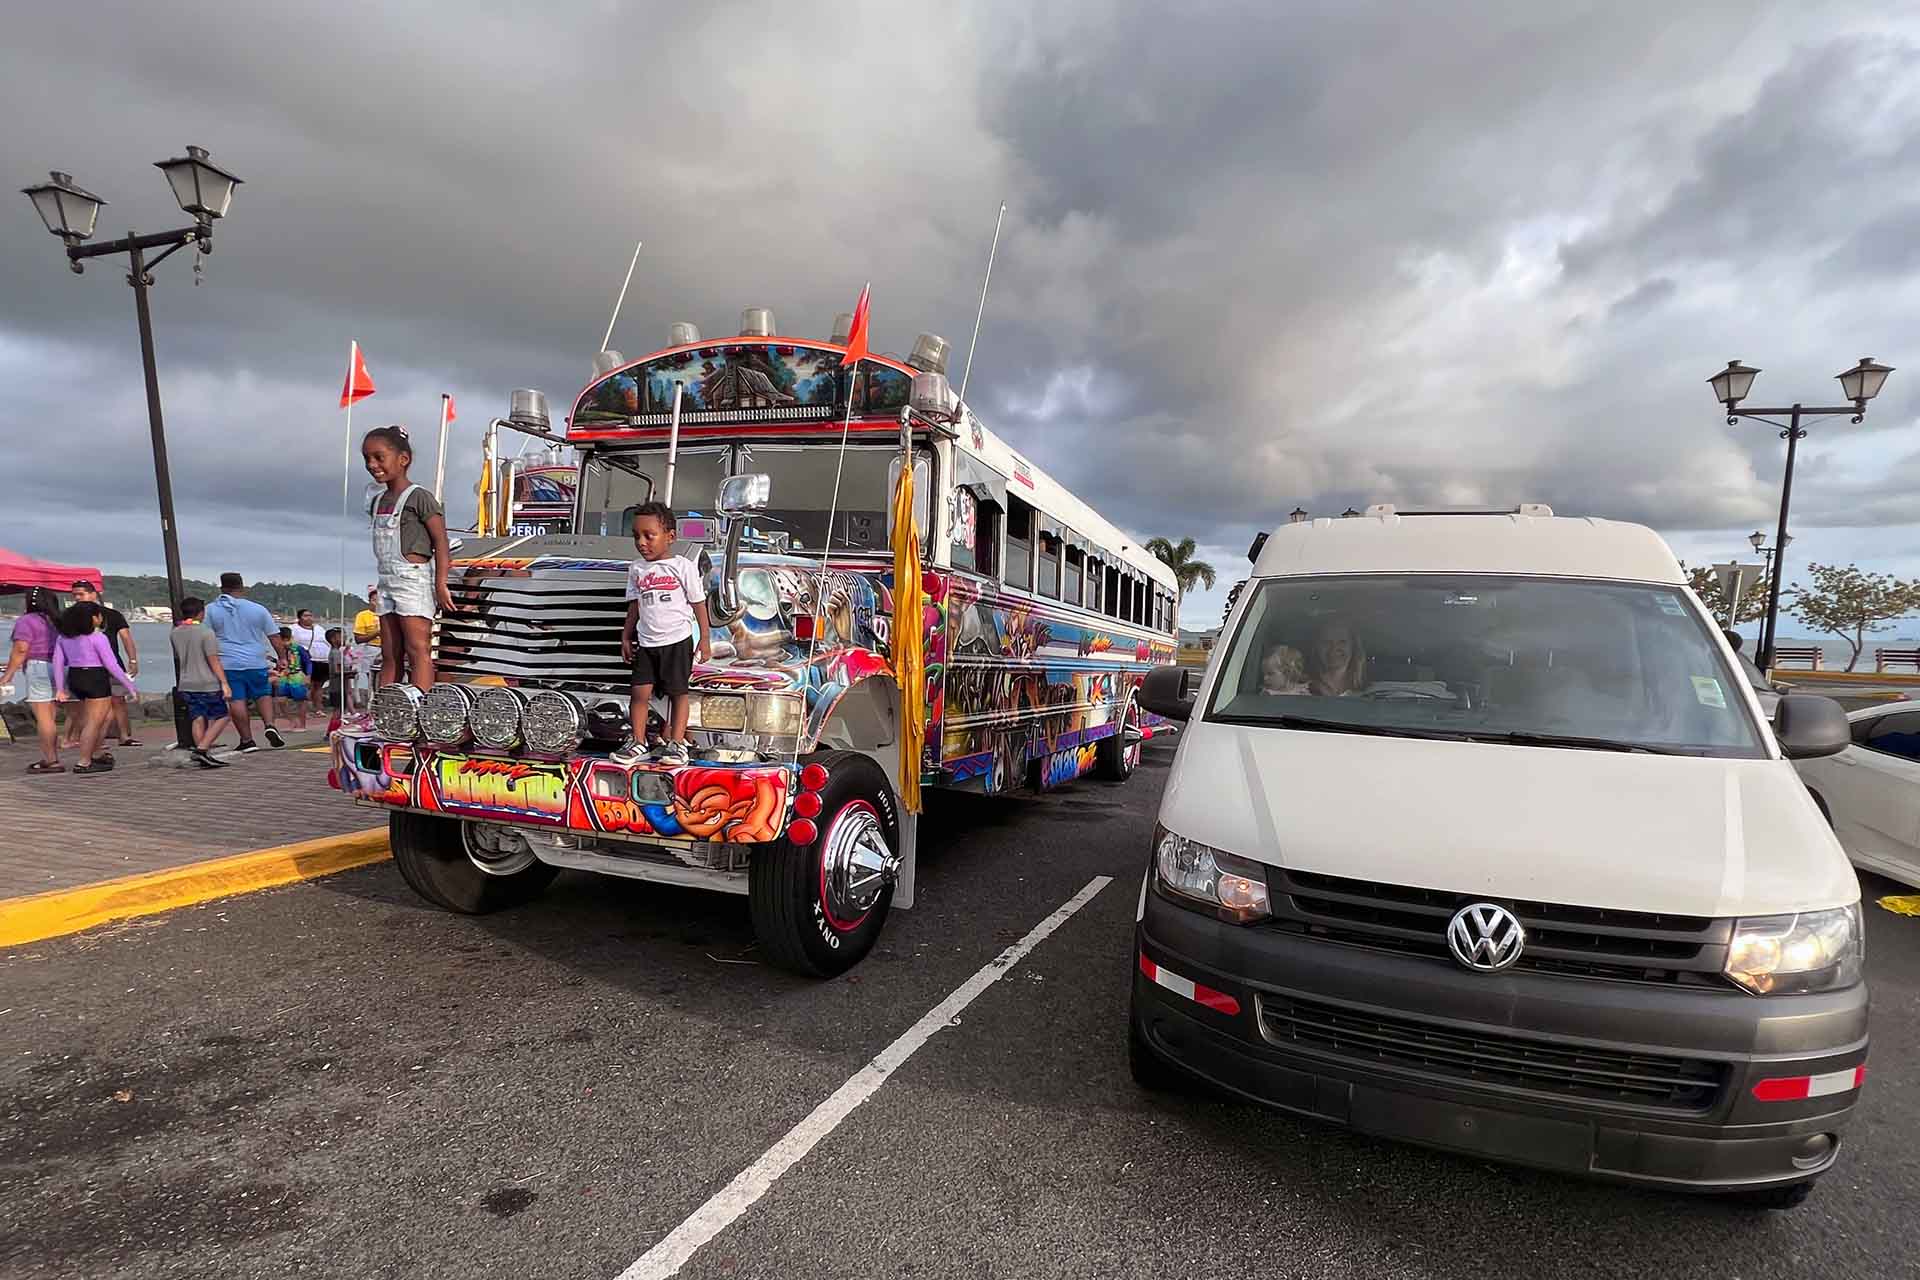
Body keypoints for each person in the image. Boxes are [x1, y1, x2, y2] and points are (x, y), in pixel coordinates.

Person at [614, 502, 712, 765]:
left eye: (649, 535)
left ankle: (677, 743)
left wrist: (704, 638)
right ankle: (638, 742)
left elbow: (698, 603)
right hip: (646, 642)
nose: (641, 542)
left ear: (670, 536)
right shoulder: (636, 569)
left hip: (677, 640)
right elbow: (635, 606)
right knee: (639, 693)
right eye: (636, 536)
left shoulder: (683, 566)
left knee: (678, 692)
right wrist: (626, 636)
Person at [362, 425, 455, 692]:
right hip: (386, 580)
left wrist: (440, 583)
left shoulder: (419, 497)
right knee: (390, 651)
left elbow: (440, 540)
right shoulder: (378, 500)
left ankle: (420, 711)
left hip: (413, 579)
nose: (372, 464)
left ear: (403, 459)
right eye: (367, 458)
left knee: (417, 649)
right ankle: (387, 712)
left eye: (379, 457)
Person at [205, 572, 289, 752]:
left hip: (227, 663)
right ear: (242, 588)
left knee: (237, 700)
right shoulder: (258, 609)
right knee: (263, 694)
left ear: (221, 587)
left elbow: (204, 637)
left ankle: (247, 740)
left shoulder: (210, 610)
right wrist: (282, 658)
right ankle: (269, 725)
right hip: (256, 660)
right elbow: (274, 637)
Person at [53, 602, 139, 775]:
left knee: (105, 717)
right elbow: (111, 664)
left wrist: (60, 687)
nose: (101, 618)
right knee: (94, 722)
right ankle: (84, 761)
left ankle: (97, 752)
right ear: (93, 618)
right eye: (99, 615)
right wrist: (129, 686)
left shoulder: (64, 638)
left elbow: (58, 662)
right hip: (95, 677)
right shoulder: (98, 637)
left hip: (76, 677)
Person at [68, 580, 140, 749]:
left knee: (118, 700)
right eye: (75, 595)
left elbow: (126, 638)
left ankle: (123, 736)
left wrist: (133, 660)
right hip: (86, 667)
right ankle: (91, 739)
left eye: (81, 594)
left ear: (94, 594)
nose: (78, 598)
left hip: (112, 663)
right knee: (90, 704)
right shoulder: (71, 617)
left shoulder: (111, 615)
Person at [2, 587, 66, 773]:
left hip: (38, 666)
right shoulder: (57, 620)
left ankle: (51, 759)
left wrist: (8, 675)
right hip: (60, 666)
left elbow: (21, 649)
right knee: (51, 717)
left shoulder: (27, 621)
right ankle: (53, 756)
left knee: (43, 717)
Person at [169, 596, 232, 769]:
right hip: (207, 682)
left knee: (197, 718)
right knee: (223, 715)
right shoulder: (206, 632)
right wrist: (224, 683)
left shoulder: (175, 632)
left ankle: (202, 753)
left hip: (186, 682)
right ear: (201, 613)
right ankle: (202, 749)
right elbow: (213, 660)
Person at [1306, 620, 1368, 696]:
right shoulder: (1300, 692)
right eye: (1327, 642)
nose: (1334, 648)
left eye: (1342, 642)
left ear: (1353, 647)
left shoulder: (1373, 693)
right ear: (1316, 648)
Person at [275, 626, 311, 729]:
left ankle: (302, 725)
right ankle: (292, 720)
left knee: (300, 701)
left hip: (296, 675)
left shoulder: (298, 648)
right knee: (281, 700)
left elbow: (308, 662)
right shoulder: (279, 649)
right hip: (283, 675)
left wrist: (308, 675)